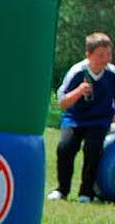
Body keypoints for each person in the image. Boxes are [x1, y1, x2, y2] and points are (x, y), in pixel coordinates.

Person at [48, 31, 115, 203]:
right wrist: (79, 91)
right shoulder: (77, 71)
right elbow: (62, 103)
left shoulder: (111, 74)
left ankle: (86, 193)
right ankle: (62, 190)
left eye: (108, 54)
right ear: (89, 55)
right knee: (65, 147)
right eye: (101, 55)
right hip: (75, 119)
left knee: (93, 148)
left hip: (99, 121)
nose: (106, 59)